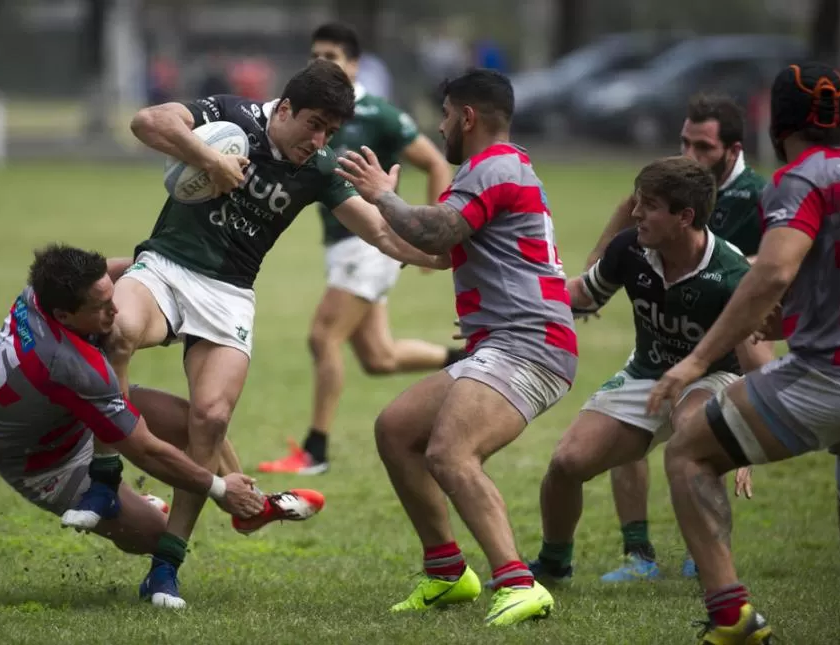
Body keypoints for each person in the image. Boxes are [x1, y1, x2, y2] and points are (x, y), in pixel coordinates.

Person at [64, 59, 448, 608]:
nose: (317, 140)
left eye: (330, 133)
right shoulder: (230, 115)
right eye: (312, 124)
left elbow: (385, 237)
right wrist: (209, 159)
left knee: (212, 419)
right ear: (285, 107)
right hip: (168, 268)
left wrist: (442, 241)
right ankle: (104, 478)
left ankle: (166, 568)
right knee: (118, 331)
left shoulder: (318, 167)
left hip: (229, 297)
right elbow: (147, 121)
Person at [335, 68, 578, 627]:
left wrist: (385, 198)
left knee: (450, 453)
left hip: (529, 342)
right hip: (508, 339)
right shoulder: (496, 167)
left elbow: (438, 231)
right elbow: (442, 251)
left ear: (466, 117)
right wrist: (359, 211)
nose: (440, 125)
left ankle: (518, 583)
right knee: (396, 430)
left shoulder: (493, 167)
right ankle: (447, 573)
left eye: (444, 114)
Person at [0, 244, 325, 603]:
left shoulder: (42, 291)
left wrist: (171, 276)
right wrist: (219, 487)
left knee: (202, 420)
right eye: (101, 308)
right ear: (64, 315)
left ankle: (250, 508)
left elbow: (136, 269)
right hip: (44, 459)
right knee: (158, 535)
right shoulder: (74, 365)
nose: (115, 309)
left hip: (66, 409)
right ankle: (185, 502)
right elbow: (145, 450)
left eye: (111, 297)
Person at [647, 61, 840, 643]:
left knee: (687, 452)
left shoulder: (800, 178)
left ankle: (730, 616)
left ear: (777, 122)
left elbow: (773, 272)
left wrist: (696, 359)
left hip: (828, 376)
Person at [525, 156, 770, 587]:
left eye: (649, 205)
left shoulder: (731, 275)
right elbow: (585, 293)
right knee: (567, 462)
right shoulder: (631, 248)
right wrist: (517, 305)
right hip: (647, 370)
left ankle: (711, 558)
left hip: (712, 377)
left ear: (684, 217)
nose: (635, 213)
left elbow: (759, 367)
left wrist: (742, 431)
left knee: (693, 428)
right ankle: (554, 562)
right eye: (638, 202)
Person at [581, 94, 770, 581]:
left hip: (728, 335)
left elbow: (771, 273)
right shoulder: (668, 186)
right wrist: (595, 276)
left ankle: (702, 552)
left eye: (702, 146)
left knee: (699, 431)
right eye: (684, 141)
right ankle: (639, 554)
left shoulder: (759, 197)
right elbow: (628, 212)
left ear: (732, 149)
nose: (690, 154)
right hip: (664, 335)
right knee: (628, 429)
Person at [258, 22, 458, 476]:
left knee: (323, 336)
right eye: (315, 55)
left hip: (368, 241)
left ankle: (316, 451)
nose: (321, 63)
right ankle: (466, 361)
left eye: (331, 55)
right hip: (344, 243)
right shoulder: (307, 108)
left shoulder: (377, 112)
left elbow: (432, 162)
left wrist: (431, 231)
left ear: (353, 63)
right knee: (378, 357)